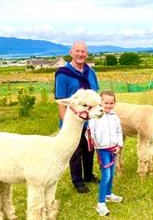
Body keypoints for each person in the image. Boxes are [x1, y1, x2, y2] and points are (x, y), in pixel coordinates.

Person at [55, 41, 99, 193]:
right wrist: (64, 121)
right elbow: (60, 100)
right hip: (73, 120)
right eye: (77, 51)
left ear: (86, 54)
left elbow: (95, 95)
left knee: (89, 148)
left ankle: (88, 175)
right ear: (71, 53)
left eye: (83, 52)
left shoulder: (90, 72)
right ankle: (77, 180)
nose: (80, 54)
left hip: (90, 119)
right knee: (75, 150)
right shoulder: (63, 74)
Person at [88, 90, 123, 216]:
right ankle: (101, 203)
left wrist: (119, 145)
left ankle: (109, 194)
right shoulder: (96, 117)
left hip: (113, 149)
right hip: (103, 150)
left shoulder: (115, 117)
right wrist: (98, 144)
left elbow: (119, 132)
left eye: (111, 103)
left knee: (112, 174)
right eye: (106, 103)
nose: (108, 106)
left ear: (114, 103)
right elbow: (92, 133)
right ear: (100, 102)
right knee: (106, 175)